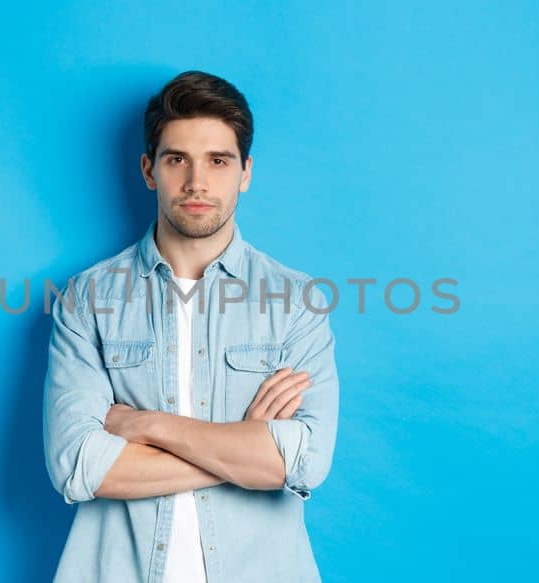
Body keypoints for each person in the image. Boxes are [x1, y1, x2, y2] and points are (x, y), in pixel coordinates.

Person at [42, 70, 340, 582]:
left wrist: (147, 426)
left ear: (245, 172)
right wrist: (246, 450)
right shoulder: (87, 300)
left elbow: (305, 462)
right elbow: (77, 464)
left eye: (218, 161)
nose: (197, 181)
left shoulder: (297, 302)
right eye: (177, 158)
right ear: (148, 169)